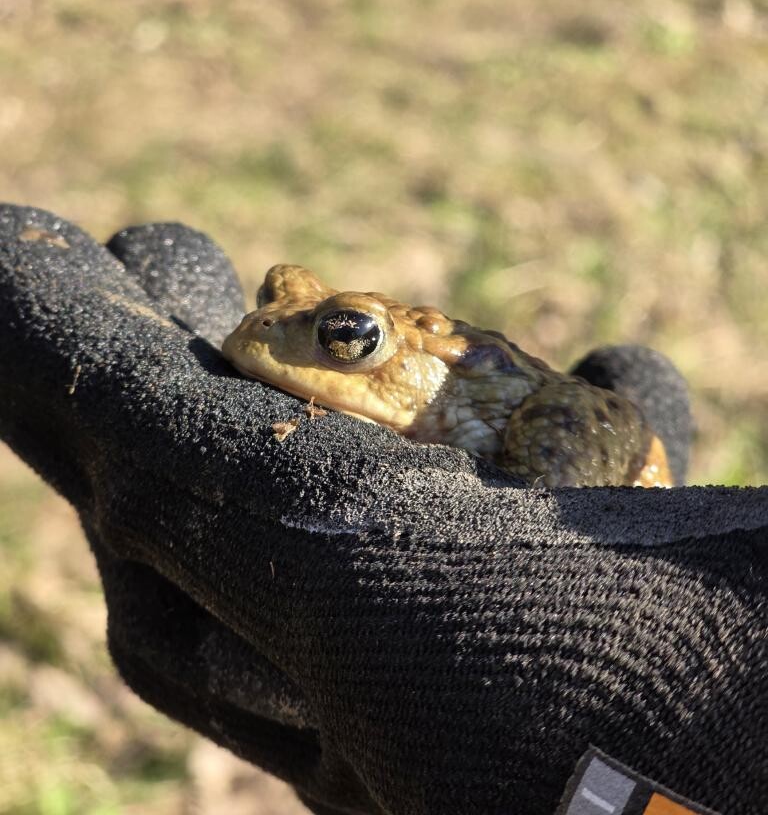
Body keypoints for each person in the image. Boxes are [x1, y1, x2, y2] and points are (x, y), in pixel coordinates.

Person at [0, 203, 765, 815]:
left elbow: (594, 417)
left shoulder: (496, 400)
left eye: (342, 336)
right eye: (277, 296)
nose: (269, 323)